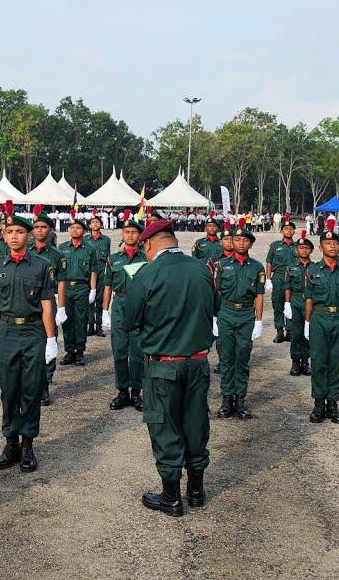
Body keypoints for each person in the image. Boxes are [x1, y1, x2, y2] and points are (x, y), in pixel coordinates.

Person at [123, 218, 217, 517]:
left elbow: (130, 320)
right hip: (198, 363)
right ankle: (197, 490)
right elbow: (214, 307)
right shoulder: (202, 268)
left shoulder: (147, 273)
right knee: (195, 423)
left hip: (162, 366)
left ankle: (171, 496)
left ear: (149, 243)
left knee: (163, 426)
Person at [0, 207, 59, 472]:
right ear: (3, 236)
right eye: (9, 232)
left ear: (29, 235)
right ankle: (10, 442)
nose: (14, 236)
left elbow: (47, 304)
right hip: (7, 332)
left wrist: (51, 339)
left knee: (31, 389)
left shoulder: (41, 266)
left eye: (19, 232)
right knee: (8, 390)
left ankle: (27, 444)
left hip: (32, 333)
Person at [303, 221, 339, 424]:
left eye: (336, 244)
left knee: (338, 361)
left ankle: (333, 403)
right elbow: (309, 299)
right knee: (318, 360)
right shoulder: (313, 270)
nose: (332, 246)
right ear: (321, 246)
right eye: (328, 243)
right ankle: (318, 404)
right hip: (319, 317)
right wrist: (307, 322)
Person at [212, 224, 265, 419]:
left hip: (245, 315)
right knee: (226, 358)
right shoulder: (221, 265)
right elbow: (215, 293)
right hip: (225, 312)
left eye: (245, 240)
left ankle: (240, 399)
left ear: (250, 244)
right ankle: (227, 399)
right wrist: (214, 317)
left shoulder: (257, 267)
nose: (241, 242)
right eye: (237, 239)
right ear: (230, 242)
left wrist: (258, 321)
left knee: (242, 358)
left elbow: (259, 296)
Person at [103, 215, 148, 411]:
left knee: (137, 352)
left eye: (134, 232)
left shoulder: (147, 258)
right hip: (119, 303)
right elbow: (107, 286)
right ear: (122, 234)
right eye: (127, 232)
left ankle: (136, 392)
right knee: (119, 351)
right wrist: (105, 310)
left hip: (139, 305)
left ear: (140, 235)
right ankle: (122, 391)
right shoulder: (113, 260)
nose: (130, 235)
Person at [29, 209, 62, 405]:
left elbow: (61, 282)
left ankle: (45, 384)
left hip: (48, 301)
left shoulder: (57, 255)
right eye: (36, 227)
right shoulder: (27, 251)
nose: (39, 231)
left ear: (50, 230)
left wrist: (62, 306)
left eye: (43, 227)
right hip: (29, 303)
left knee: (49, 340)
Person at [56, 217, 98, 367]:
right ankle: (69, 351)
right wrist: (57, 291)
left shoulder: (90, 249)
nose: (75, 230)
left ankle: (80, 351)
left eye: (78, 228)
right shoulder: (62, 248)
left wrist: (93, 290)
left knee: (81, 320)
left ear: (84, 231)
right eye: (72, 227)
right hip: (65, 287)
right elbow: (57, 270)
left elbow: (93, 270)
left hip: (81, 287)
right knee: (66, 320)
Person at [283, 231, 315, 377]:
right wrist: (287, 303)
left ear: (311, 250)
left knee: (308, 333)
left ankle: (305, 361)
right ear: (296, 250)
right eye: (301, 248)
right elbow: (287, 286)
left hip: (311, 303)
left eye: (307, 248)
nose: (304, 250)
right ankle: (295, 362)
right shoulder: (291, 267)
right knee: (296, 333)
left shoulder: (315, 268)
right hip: (295, 301)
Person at [266, 220, 297, 343]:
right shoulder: (275, 245)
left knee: (291, 304)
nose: (289, 230)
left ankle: (289, 330)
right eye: (286, 228)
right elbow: (269, 262)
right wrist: (268, 279)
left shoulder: (298, 247)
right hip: (278, 277)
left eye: (291, 229)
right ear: (281, 231)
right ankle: (279, 331)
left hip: (293, 278)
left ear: (294, 231)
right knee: (278, 304)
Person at [86, 216, 112, 337]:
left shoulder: (106, 240)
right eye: (93, 222)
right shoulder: (86, 239)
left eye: (97, 222)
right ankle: (90, 325)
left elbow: (108, 257)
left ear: (101, 225)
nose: (95, 224)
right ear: (90, 226)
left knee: (100, 299)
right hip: (89, 271)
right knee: (89, 299)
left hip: (101, 271)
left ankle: (99, 326)